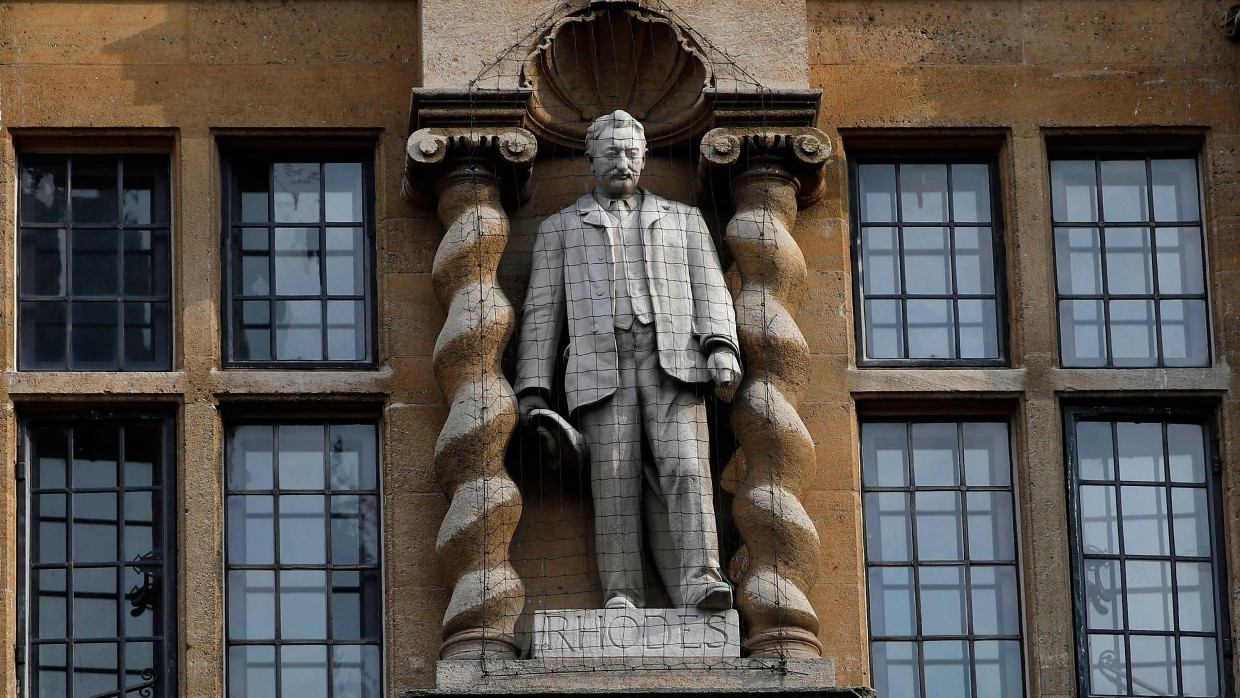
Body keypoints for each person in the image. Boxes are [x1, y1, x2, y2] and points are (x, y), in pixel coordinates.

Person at [514, 110, 742, 611]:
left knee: (687, 468)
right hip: (600, 365)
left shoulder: (683, 219)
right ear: (591, 159)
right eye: (612, 152)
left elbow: (711, 288)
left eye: (632, 152)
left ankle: (702, 580)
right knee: (613, 481)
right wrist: (533, 389)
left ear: (644, 158)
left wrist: (721, 346)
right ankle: (622, 592)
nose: (623, 160)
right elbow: (541, 309)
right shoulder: (560, 227)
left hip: (676, 361)